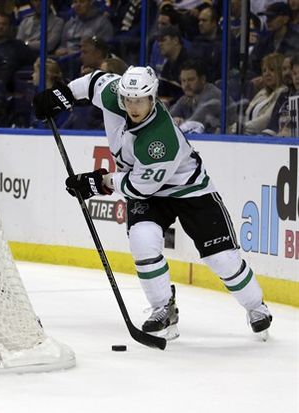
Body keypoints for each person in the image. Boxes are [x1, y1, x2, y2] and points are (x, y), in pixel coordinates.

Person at [33, 66, 273, 340]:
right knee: (142, 239)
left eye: (140, 100)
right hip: (151, 194)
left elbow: (139, 186)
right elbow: (93, 82)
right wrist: (60, 96)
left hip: (189, 190)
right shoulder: (116, 94)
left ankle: (256, 306)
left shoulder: (160, 139)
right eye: (129, 100)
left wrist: (99, 182)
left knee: (222, 259)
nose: (133, 106)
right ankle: (163, 308)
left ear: (153, 98)